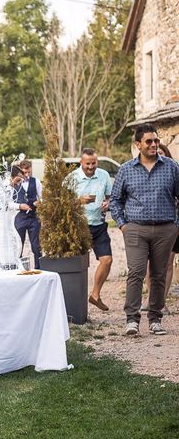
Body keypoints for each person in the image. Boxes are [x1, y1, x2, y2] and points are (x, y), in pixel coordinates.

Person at [110, 123, 179, 336]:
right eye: (149, 141)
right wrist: (122, 224)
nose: (153, 145)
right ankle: (132, 319)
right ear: (138, 144)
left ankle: (155, 318)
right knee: (136, 272)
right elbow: (115, 200)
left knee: (158, 275)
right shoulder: (126, 170)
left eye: (156, 140)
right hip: (135, 230)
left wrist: (175, 225)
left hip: (165, 229)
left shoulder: (171, 167)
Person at [71, 148, 112, 312]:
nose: (90, 166)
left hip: (99, 225)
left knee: (107, 260)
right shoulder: (72, 178)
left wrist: (108, 203)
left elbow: (110, 197)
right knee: (75, 264)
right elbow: (60, 202)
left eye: (93, 163)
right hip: (78, 226)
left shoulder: (104, 175)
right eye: (87, 163)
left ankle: (95, 295)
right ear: (81, 162)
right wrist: (79, 201)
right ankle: (73, 301)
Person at [143, 143, 178, 311]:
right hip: (153, 224)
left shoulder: (174, 172)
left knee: (168, 263)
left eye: (162, 153)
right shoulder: (146, 173)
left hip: (174, 223)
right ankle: (150, 299)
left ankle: (162, 301)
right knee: (152, 264)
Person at [15, 159, 43, 268]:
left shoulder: (36, 181)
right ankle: (19, 269)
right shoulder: (14, 183)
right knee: (18, 246)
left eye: (29, 172)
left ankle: (39, 269)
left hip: (33, 218)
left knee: (36, 246)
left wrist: (39, 202)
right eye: (24, 173)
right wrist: (19, 206)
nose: (27, 175)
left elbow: (43, 197)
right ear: (20, 172)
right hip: (19, 218)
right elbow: (9, 202)